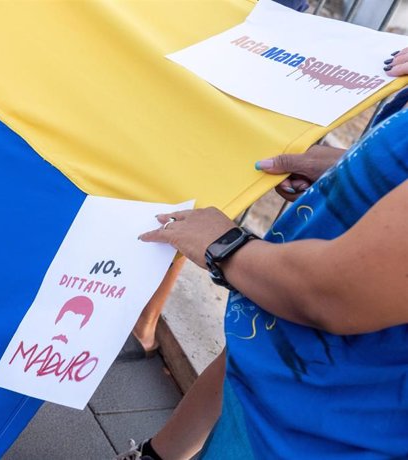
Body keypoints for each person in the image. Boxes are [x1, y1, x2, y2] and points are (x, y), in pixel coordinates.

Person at [118, 60, 408, 459]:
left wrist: (225, 246)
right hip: (282, 377)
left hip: (318, 433)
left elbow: (334, 293)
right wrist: (358, 168)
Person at [129, 0, 311, 358]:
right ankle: (142, 321)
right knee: (187, 179)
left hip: (249, 32)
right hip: (242, 30)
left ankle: (144, 321)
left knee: (190, 185)